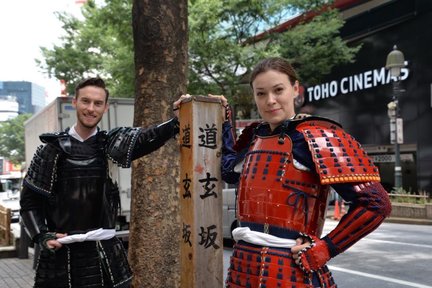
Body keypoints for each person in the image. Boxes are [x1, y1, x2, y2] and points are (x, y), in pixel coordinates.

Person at [220, 57, 392, 287]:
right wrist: (223, 121)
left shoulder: (318, 135)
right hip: (243, 267)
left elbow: (376, 203)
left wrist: (325, 249)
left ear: (295, 89)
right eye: (261, 94)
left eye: (278, 90)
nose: (270, 100)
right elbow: (230, 172)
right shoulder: (255, 136)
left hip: (290, 270)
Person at [20, 77, 186, 288]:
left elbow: (147, 136)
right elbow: (29, 202)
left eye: (97, 103)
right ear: (75, 102)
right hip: (61, 257)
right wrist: (41, 235)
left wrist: (177, 121)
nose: (91, 108)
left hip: (106, 256)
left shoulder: (110, 144)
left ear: (105, 108)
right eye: (85, 101)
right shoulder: (51, 149)